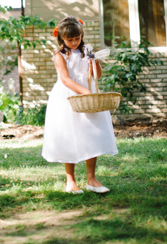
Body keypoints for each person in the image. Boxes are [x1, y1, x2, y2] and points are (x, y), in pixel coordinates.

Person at [41, 16, 117, 194]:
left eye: (77, 38)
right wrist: (86, 93)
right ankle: (71, 181)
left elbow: (97, 75)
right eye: (70, 39)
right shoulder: (59, 55)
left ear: (81, 35)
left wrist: (94, 60)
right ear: (62, 39)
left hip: (88, 96)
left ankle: (91, 179)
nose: (74, 42)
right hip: (68, 97)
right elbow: (66, 80)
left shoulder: (87, 51)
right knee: (70, 135)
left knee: (92, 133)